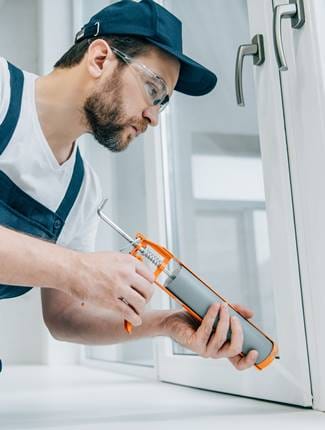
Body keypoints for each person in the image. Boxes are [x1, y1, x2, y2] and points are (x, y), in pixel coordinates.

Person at [0, 0, 258, 370]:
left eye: (163, 103)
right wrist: (78, 270)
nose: (153, 117)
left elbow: (64, 317)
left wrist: (165, 323)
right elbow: (73, 274)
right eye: (153, 88)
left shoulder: (82, 192)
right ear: (100, 59)